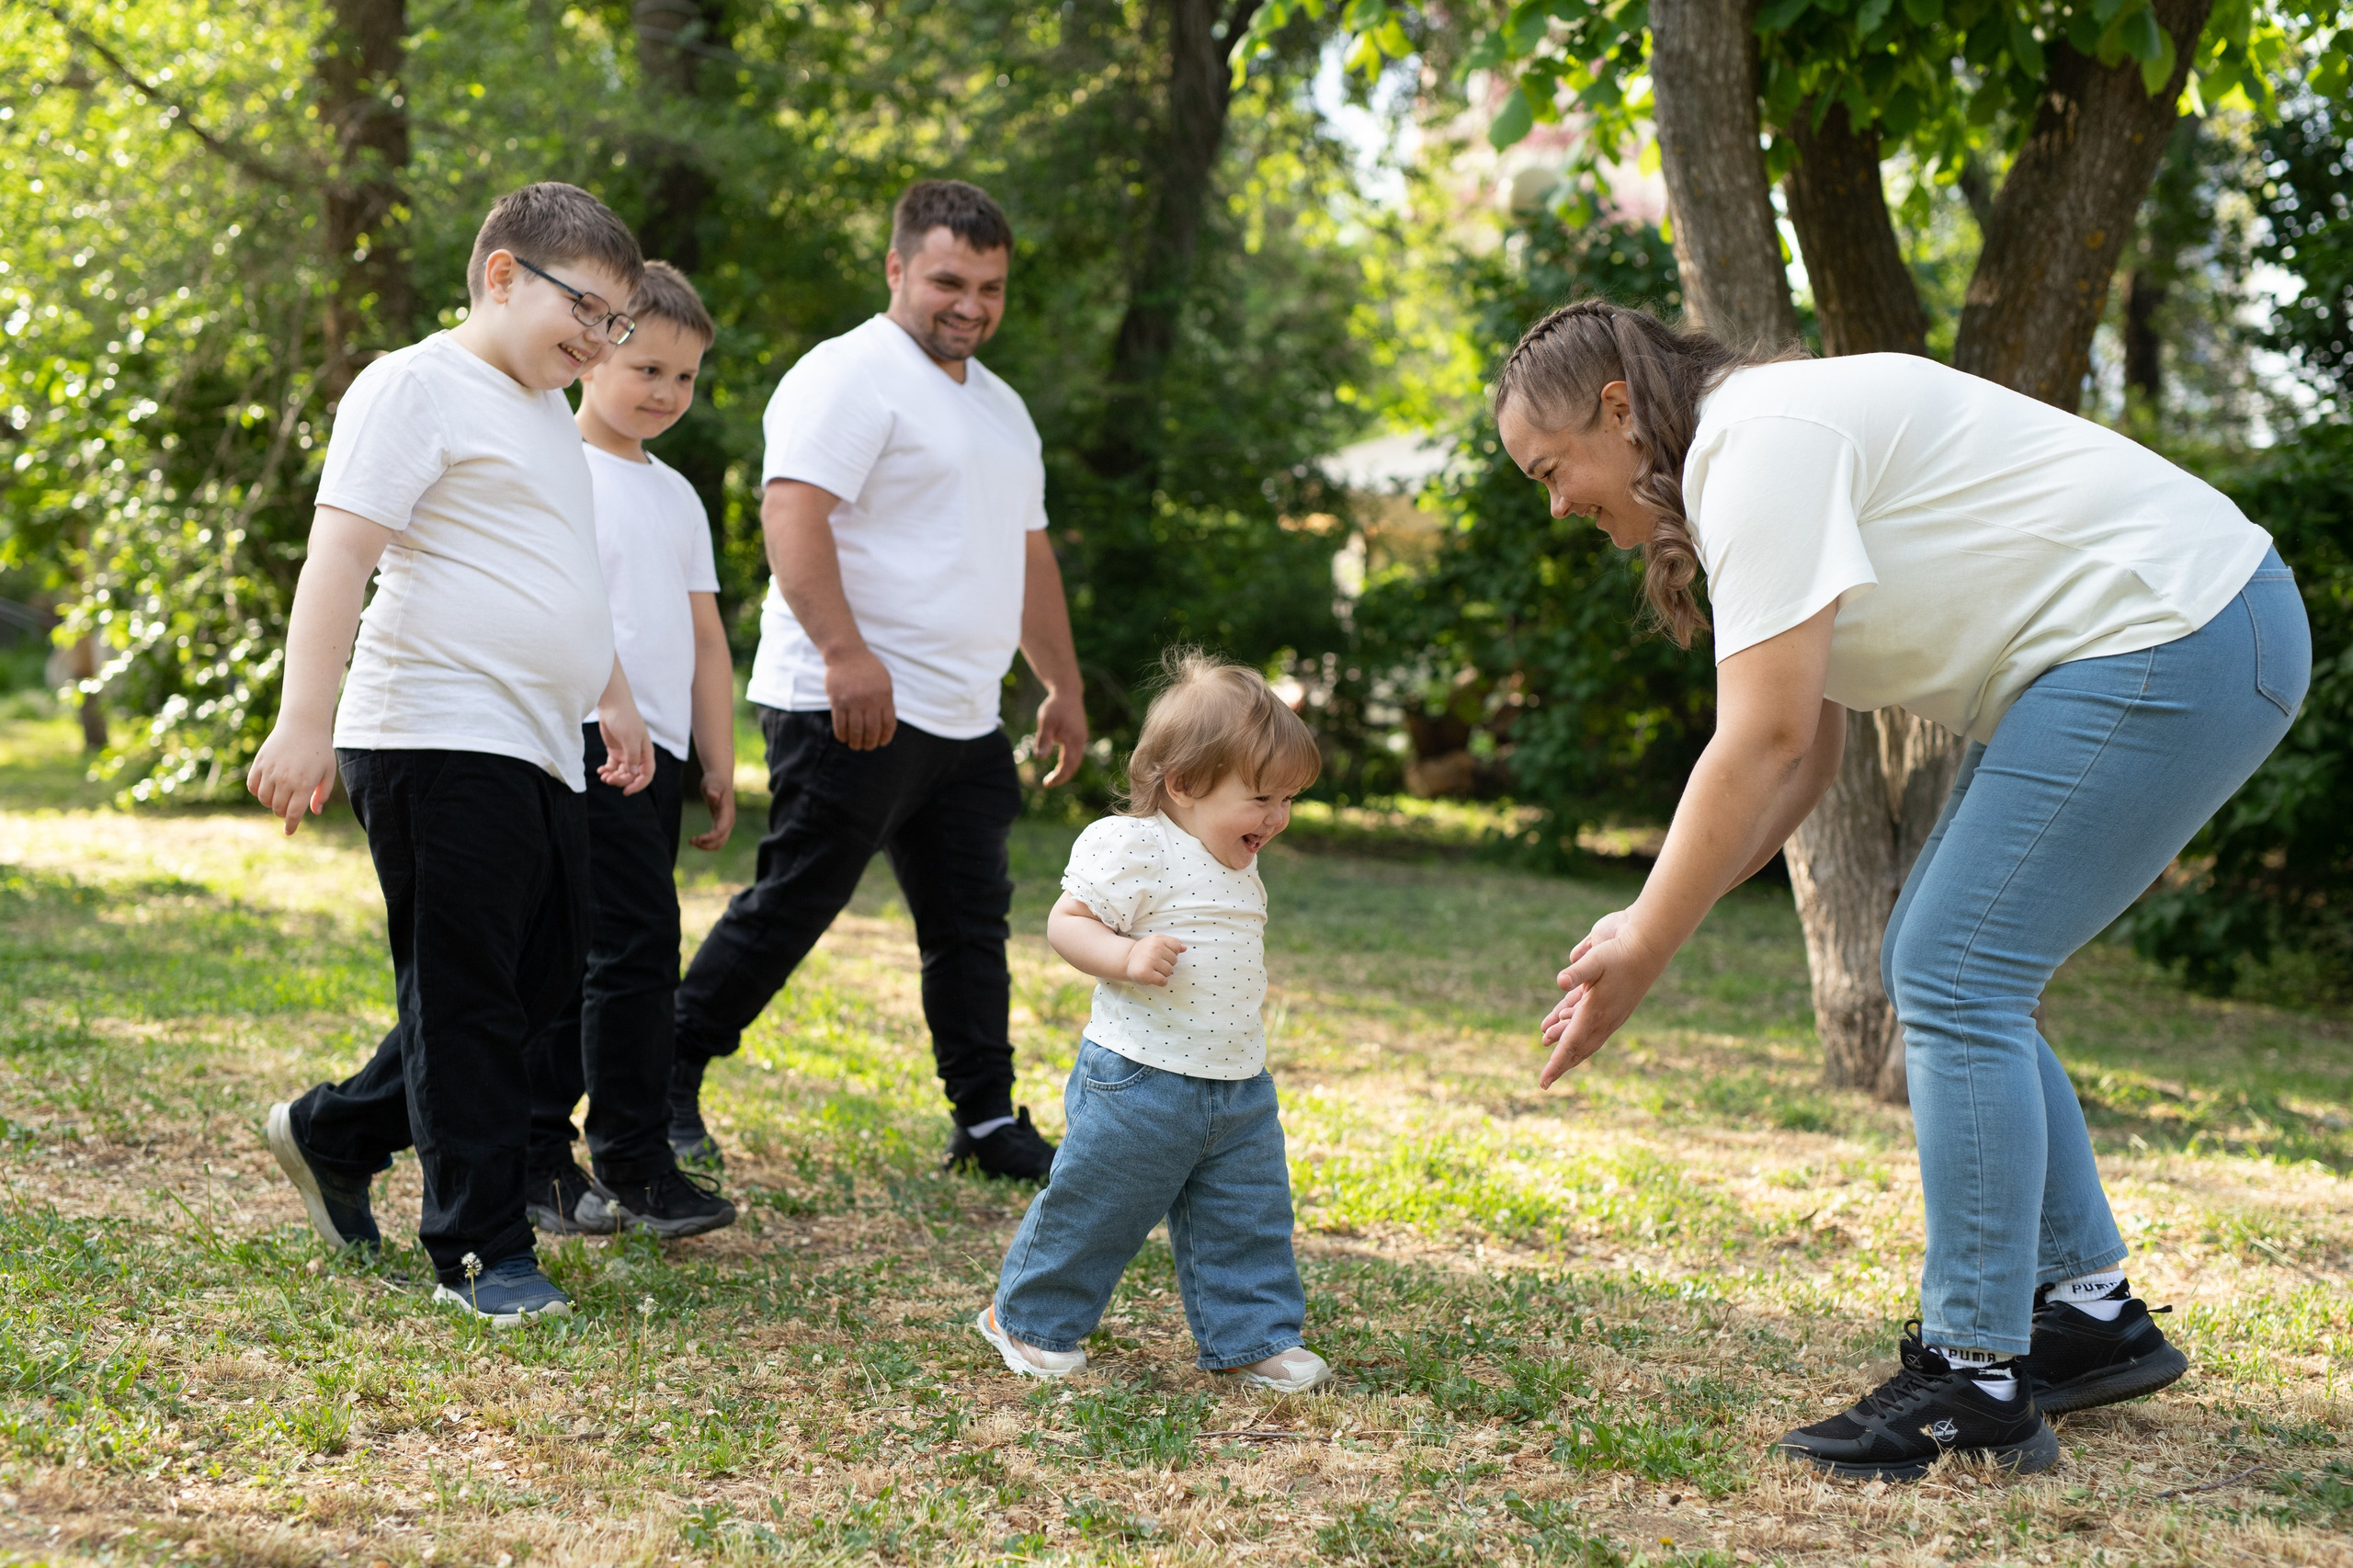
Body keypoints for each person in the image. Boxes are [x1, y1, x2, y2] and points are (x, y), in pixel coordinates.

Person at [1495, 300, 2308, 1482]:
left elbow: (1761, 740)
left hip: (2174, 628)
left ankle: (1974, 1375)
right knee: (1953, 960)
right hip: (2164, 633)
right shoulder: (1751, 460)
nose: (1555, 502)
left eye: (1551, 467)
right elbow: (1804, 760)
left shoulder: (1754, 444)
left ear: (1618, 412)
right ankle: (2080, 1311)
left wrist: (1646, 945)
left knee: (1953, 965)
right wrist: (1651, 919)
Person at [249, 183, 654, 1327]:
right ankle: (478, 1248)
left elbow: (562, 573)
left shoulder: (541, 413)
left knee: (534, 993)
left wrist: (612, 692)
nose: (601, 337)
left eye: (619, 322)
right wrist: (301, 717)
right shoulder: (415, 384)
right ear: (503, 275)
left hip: (538, 740)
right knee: (472, 996)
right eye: (589, 306)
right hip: (432, 728)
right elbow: (340, 553)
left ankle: (334, 1130)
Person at [665, 178, 1087, 1181]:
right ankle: (662, 1074)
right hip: (846, 701)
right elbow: (793, 511)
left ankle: (985, 1117)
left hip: (963, 714)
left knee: (970, 924)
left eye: (989, 285)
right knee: (794, 903)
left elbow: (1027, 554)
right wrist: (847, 653)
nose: (971, 304)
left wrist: (1060, 685)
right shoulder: (848, 374)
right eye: (949, 279)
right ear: (897, 267)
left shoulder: (1000, 407)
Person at [975, 651, 1333, 1393]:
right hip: (1139, 1077)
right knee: (1098, 1205)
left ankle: (1252, 1335)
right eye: (1263, 797)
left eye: (1288, 801)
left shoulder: (1233, 852)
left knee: (1250, 1215)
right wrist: (1125, 955)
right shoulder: (1133, 845)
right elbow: (1066, 922)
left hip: (1237, 1084)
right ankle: (1027, 1318)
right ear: (1184, 784)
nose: (1277, 818)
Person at [522, 260, 740, 1243]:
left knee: (610, 951)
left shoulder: (679, 496)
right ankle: (632, 1161)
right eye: (645, 366)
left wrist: (718, 757)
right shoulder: (554, 465)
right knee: (624, 951)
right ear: (593, 349)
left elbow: (702, 638)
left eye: (685, 378)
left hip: (656, 756)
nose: (664, 393)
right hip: (576, 742)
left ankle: (548, 1157)